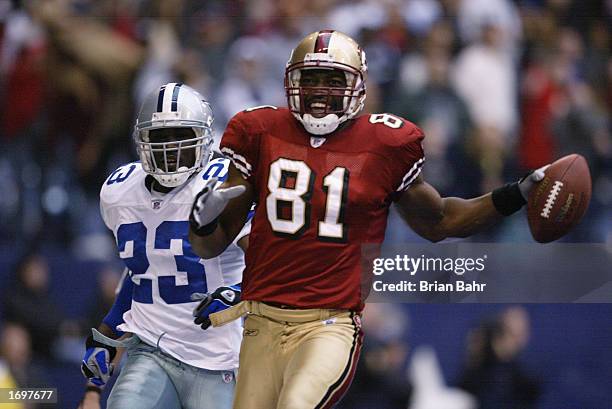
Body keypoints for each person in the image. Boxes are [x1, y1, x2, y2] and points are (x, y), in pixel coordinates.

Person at [188, 30, 546, 409]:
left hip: (328, 323)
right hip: (260, 320)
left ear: (356, 86)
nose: (320, 90)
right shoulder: (259, 131)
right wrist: (203, 224)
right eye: (310, 78)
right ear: (292, 81)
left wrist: (513, 195)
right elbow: (209, 245)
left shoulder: (385, 144)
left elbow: (439, 221)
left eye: (333, 79)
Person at [79, 83, 250, 409]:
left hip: (220, 357)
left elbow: (267, 259)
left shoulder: (225, 183)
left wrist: (240, 292)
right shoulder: (120, 191)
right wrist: (108, 333)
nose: (171, 148)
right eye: (160, 138)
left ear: (203, 137)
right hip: (151, 347)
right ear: (142, 140)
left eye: (181, 135)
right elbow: (143, 272)